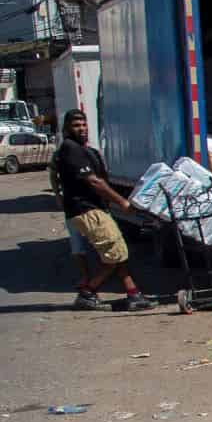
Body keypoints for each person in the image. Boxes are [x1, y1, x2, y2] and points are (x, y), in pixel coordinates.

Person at [54, 109, 152, 312]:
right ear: (66, 128)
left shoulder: (84, 149)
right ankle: (88, 292)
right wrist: (122, 202)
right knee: (116, 253)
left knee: (116, 249)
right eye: (76, 125)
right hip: (86, 210)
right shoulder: (70, 149)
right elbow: (93, 181)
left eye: (83, 124)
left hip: (95, 208)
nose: (81, 129)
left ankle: (132, 293)